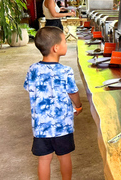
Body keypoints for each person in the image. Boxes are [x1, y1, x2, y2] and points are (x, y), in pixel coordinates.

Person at [24, 26, 82, 180]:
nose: (66, 44)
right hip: (62, 126)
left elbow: (29, 89)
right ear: (56, 48)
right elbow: (73, 92)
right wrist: (78, 105)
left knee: (44, 159)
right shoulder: (66, 71)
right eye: (64, 41)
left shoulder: (32, 70)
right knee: (64, 157)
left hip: (41, 127)